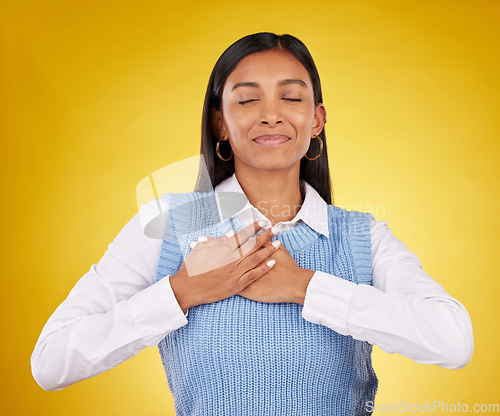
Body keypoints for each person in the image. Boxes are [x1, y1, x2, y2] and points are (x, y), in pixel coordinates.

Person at [31, 32, 474, 415]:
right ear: (220, 123)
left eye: (292, 97)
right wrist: (184, 292)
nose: (271, 114)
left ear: (316, 120)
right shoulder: (169, 223)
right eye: (246, 99)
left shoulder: (362, 237)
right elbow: (51, 362)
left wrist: (304, 286)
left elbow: (454, 341)